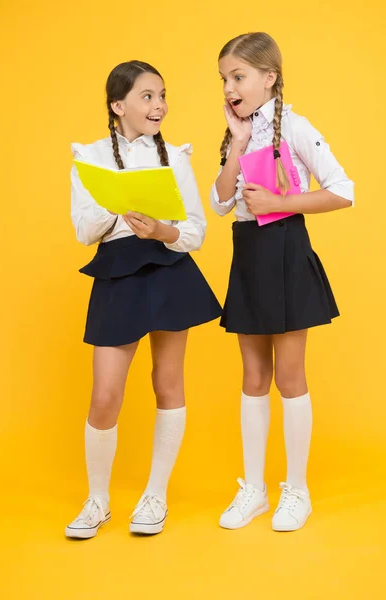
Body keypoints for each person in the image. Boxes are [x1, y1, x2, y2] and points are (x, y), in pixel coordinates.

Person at [66, 60, 221, 538]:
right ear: (119, 105)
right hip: (117, 271)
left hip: (169, 268)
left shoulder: (174, 155)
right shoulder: (90, 156)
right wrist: (119, 208)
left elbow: (194, 230)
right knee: (105, 394)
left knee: (167, 382)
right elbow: (83, 230)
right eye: (147, 96)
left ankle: (156, 494)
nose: (159, 105)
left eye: (161, 95)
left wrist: (161, 229)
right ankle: (97, 501)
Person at [211, 33, 354, 532]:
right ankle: (254, 489)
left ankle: (297, 489)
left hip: (288, 253)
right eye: (225, 79)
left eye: (238, 76)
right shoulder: (239, 132)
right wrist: (237, 145)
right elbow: (221, 202)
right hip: (248, 256)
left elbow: (342, 190)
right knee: (253, 378)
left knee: (290, 376)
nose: (229, 87)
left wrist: (279, 204)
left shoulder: (295, 126)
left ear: (268, 78)